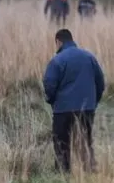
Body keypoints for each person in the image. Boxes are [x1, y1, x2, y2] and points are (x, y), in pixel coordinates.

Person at [43, 29, 105, 173]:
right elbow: (100, 83)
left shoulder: (57, 60)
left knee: (61, 142)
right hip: (87, 109)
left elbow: (49, 84)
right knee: (85, 141)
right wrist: (93, 103)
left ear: (58, 42)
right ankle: (89, 172)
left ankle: (63, 173)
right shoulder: (89, 57)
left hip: (63, 110)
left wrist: (52, 101)